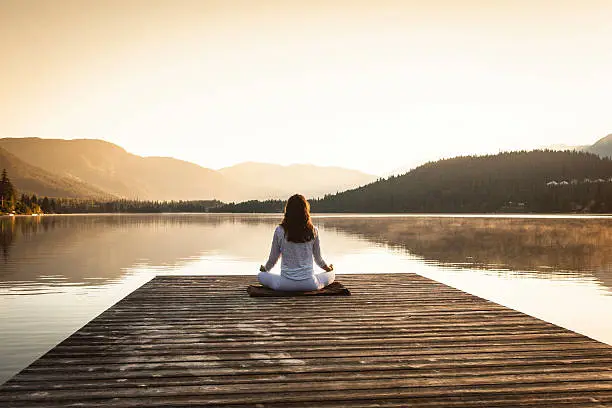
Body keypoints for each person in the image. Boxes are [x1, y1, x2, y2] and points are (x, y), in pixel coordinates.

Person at [258, 194, 335, 291]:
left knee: (261, 275)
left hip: (285, 285)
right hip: (310, 285)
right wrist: (328, 269)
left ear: (288, 211)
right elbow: (318, 259)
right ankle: (328, 273)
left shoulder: (279, 230)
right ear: (305, 211)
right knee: (332, 274)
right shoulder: (313, 230)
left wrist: (265, 270)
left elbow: (273, 259)